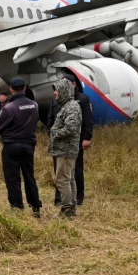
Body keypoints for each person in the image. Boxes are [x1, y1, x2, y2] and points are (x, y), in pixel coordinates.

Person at [0, 77, 42, 217]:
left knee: (13, 179)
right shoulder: (34, 105)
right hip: (28, 145)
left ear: (11, 89)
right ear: (25, 88)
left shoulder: (9, 107)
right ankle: (35, 208)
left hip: (12, 146)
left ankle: (17, 209)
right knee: (29, 176)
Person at [47, 74, 93, 206]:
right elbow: (50, 118)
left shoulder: (80, 101)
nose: (56, 92)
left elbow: (86, 121)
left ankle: (75, 201)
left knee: (73, 172)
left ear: (72, 84)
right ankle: (60, 199)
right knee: (61, 174)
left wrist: (87, 137)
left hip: (71, 143)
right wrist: (50, 133)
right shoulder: (57, 101)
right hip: (58, 144)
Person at [49, 79, 83, 218]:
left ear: (63, 90)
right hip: (63, 149)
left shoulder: (72, 107)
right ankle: (71, 208)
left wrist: (55, 134)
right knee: (68, 179)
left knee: (62, 180)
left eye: (56, 89)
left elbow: (70, 128)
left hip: (66, 150)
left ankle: (67, 210)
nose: (54, 93)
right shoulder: (66, 106)